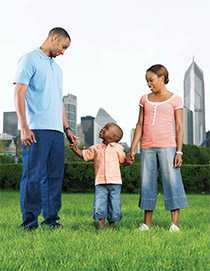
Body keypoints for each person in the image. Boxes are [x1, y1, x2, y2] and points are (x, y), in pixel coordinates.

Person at [14, 27, 76, 230]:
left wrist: (67, 129)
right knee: (33, 176)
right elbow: (19, 93)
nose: (63, 52)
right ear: (54, 38)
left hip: (56, 132)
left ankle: (51, 220)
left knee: (54, 178)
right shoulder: (29, 59)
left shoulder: (57, 70)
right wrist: (24, 126)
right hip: (36, 129)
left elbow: (58, 102)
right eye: (63, 47)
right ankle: (29, 223)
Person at [128, 64, 188, 232]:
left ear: (162, 78)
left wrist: (179, 151)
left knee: (172, 182)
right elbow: (139, 124)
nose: (149, 84)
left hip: (168, 146)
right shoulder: (144, 99)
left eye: (152, 80)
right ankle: (146, 223)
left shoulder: (175, 99)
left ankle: (175, 224)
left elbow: (179, 126)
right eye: (147, 81)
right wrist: (133, 148)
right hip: (147, 147)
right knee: (147, 183)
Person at [70, 123, 126, 229]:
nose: (102, 129)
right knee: (99, 203)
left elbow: (123, 161)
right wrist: (75, 149)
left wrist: (128, 160)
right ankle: (100, 223)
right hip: (100, 182)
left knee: (115, 204)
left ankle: (113, 223)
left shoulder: (118, 148)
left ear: (113, 137)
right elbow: (84, 155)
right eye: (103, 127)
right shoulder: (96, 148)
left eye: (106, 129)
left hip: (115, 183)